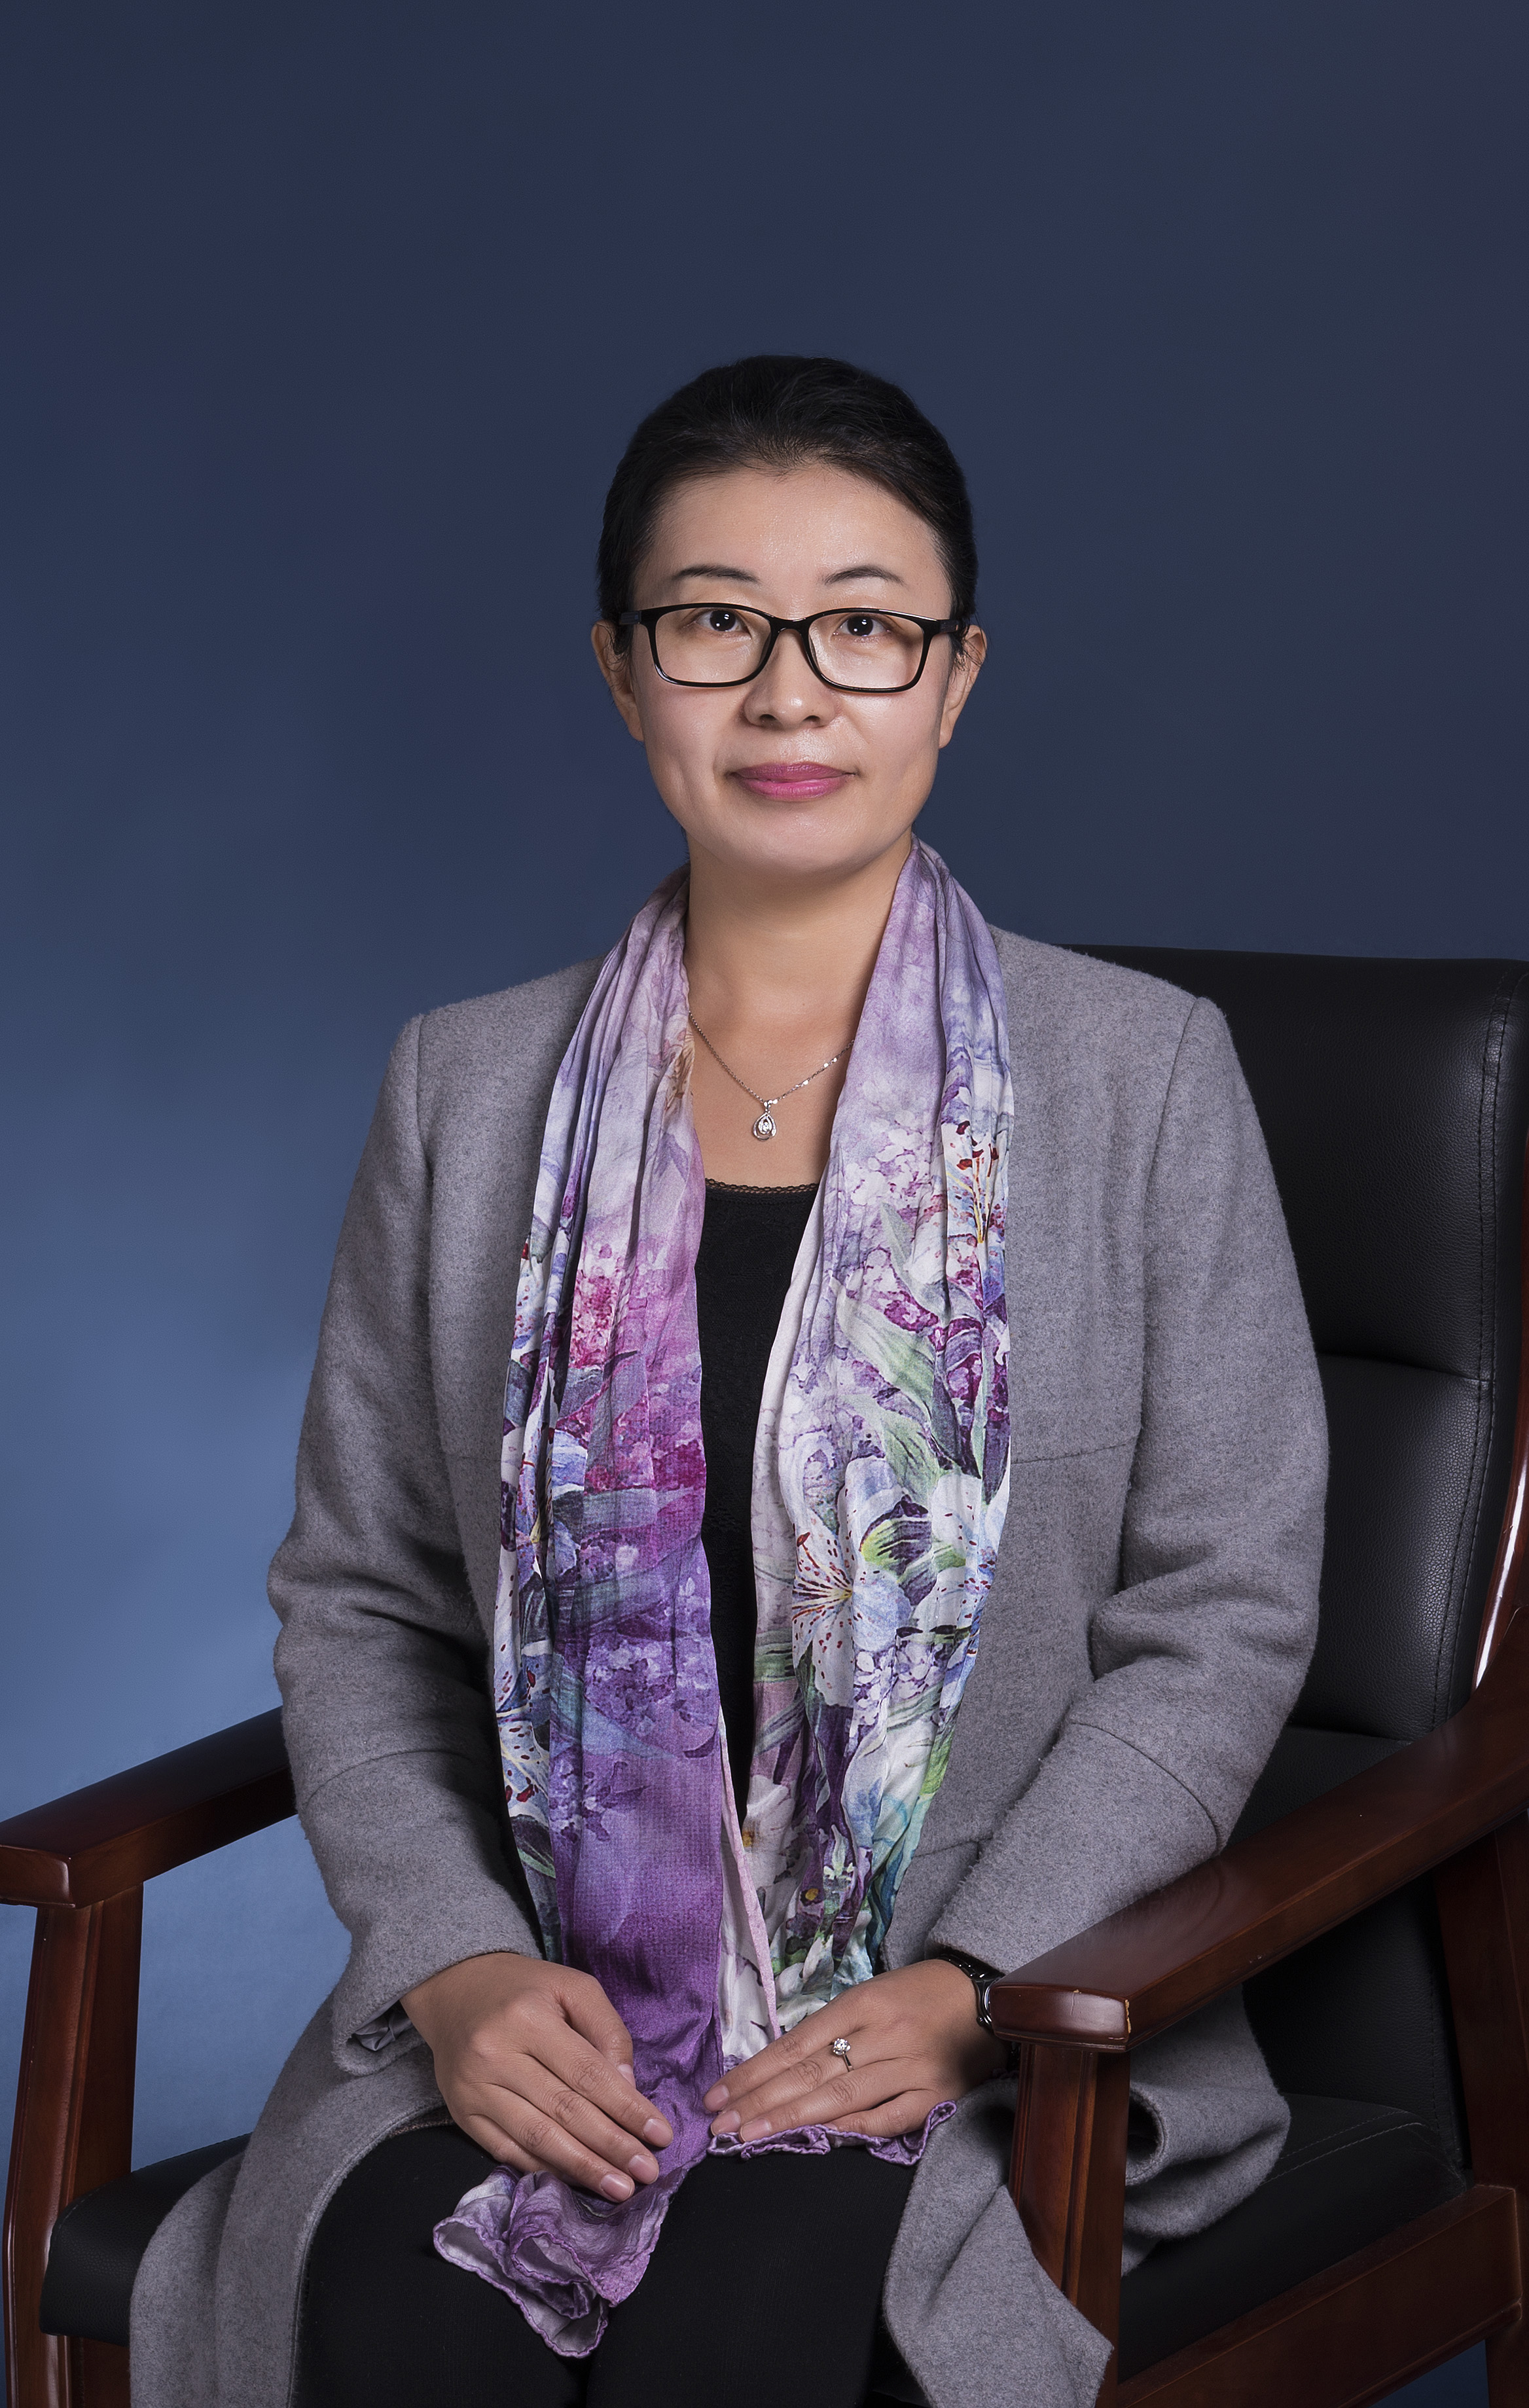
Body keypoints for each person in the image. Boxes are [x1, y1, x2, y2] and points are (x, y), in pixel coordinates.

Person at [130, 356, 1327, 2408]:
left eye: (864, 626)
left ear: (954, 679)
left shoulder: (1143, 1078)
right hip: (549, 2021)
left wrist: (979, 1983)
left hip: (999, 2028)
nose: (789, 694)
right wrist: (456, 1963)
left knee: (743, 2331)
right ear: (625, 672)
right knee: (415, 2319)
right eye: (714, 622)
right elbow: (364, 1603)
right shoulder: (462, 1088)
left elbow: (1222, 1614)